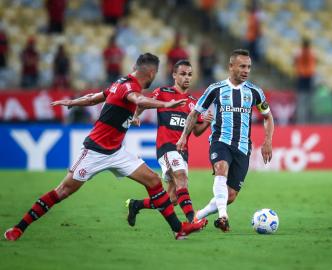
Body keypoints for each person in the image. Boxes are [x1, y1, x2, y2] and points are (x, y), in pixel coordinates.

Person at [4, 53, 207, 241]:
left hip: (117, 151)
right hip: (95, 151)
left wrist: (73, 101)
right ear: (152, 73)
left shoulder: (120, 82)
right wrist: (164, 105)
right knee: (62, 191)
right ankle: (19, 228)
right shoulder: (130, 87)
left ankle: (178, 229)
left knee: (153, 181)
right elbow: (138, 99)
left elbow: (94, 97)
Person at [177, 49, 274, 232]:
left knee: (230, 196)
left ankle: (198, 215)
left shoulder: (255, 92)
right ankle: (223, 217)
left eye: (249, 67)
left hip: (243, 148)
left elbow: (268, 117)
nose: (246, 70)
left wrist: (268, 141)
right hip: (220, 141)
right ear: (231, 67)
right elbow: (194, 113)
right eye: (242, 66)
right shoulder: (216, 89)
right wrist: (184, 136)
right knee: (221, 169)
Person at [126, 59, 213, 225]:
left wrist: (207, 121)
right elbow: (143, 103)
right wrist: (136, 115)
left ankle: (136, 204)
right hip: (166, 148)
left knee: (172, 198)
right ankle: (192, 219)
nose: (186, 78)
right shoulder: (163, 92)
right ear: (174, 75)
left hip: (182, 150)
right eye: (182, 74)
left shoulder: (194, 102)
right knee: (181, 178)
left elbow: (196, 132)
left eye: (189, 75)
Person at [294, 37, 316, 123]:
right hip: (309, 76)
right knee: (307, 99)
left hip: (301, 76)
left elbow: (295, 62)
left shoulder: (298, 52)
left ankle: (301, 120)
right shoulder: (311, 53)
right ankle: (307, 120)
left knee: (301, 99)